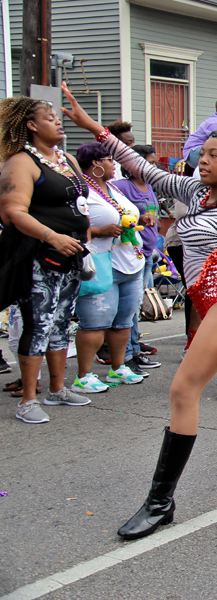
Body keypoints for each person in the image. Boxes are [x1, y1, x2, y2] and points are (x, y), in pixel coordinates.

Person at [61, 82, 217, 540]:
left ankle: (160, 502)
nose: (204, 158)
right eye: (204, 153)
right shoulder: (192, 191)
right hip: (203, 300)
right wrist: (92, 126)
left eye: (215, 153)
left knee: (183, 389)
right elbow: (135, 162)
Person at [0, 96, 92, 423]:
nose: (58, 121)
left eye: (57, 116)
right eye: (49, 117)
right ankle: (28, 399)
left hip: (70, 257)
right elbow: (12, 212)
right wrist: (52, 236)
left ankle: (57, 389)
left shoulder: (67, 159)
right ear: (30, 125)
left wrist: (85, 239)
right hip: (38, 256)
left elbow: (81, 205)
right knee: (38, 322)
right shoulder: (21, 162)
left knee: (61, 323)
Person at [70, 142, 147, 392]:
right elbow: (68, 225)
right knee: (96, 321)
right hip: (101, 263)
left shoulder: (112, 187)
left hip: (130, 261)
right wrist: (98, 231)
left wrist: (139, 219)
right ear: (96, 164)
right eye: (109, 160)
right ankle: (84, 375)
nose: (114, 164)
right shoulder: (81, 190)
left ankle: (118, 367)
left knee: (124, 320)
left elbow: (124, 213)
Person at [114, 144, 163, 376]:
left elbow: (154, 215)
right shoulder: (122, 186)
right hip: (131, 253)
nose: (152, 166)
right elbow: (113, 209)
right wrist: (137, 217)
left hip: (147, 252)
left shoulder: (150, 186)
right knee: (130, 308)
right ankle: (128, 355)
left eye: (154, 163)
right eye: (148, 162)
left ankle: (134, 350)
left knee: (137, 307)